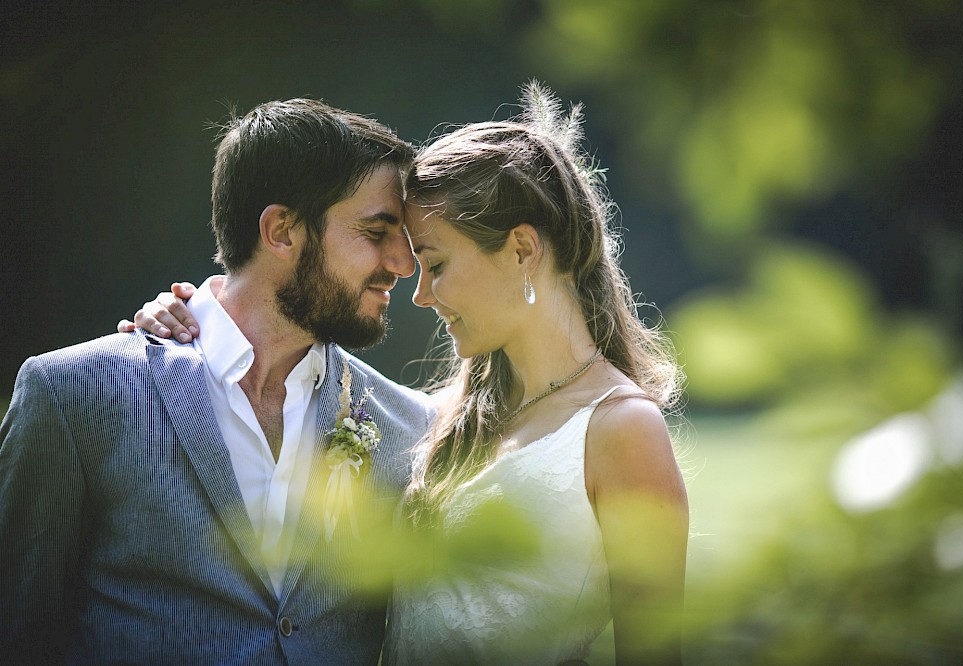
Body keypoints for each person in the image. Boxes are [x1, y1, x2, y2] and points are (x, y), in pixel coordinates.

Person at [124, 83, 689, 664]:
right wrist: (198, 320)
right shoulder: (429, 423)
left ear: (522, 249)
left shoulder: (623, 430)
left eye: (436, 264)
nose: (417, 292)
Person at [0, 98, 433, 664]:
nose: (404, 264)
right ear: (282, 231)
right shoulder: (76, 391)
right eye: (378, 232)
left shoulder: (409, 427)